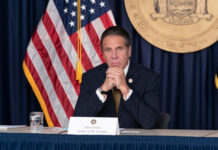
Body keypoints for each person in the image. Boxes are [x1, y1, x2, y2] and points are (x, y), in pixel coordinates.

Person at [74, 26, 160, 129]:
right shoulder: (90, 77)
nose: (114, 55)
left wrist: (125, 90)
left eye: (119, 49)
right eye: (108, 50)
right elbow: (78, 121)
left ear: (129, 51)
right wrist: (103, 89)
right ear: (103, 53)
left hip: (133, 143)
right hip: (100, 143)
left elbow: (151, 123)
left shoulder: (149, 78)